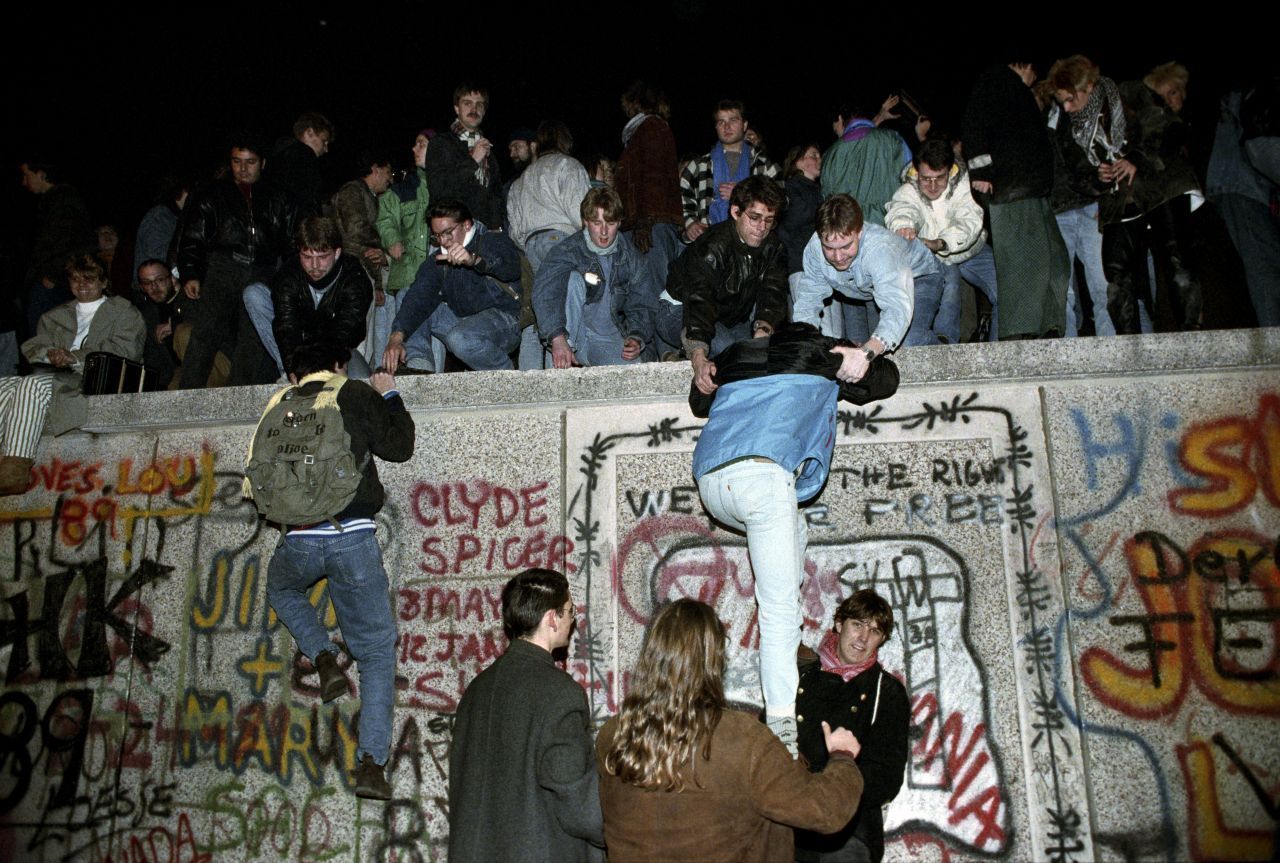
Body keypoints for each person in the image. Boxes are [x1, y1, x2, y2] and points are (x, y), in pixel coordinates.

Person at [689, 322, 900, 752]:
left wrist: (702, 366)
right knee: (778, 608)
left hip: (711, 481)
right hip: (763, 476)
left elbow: (698, 399)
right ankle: (783, 723)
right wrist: (853, 353)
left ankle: (792, 640)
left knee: (795, 529)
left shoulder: (738, 354)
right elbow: (885, 380)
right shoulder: (821, 359)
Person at [247, 340, 413, 800]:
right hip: (352, 537)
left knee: (282, 591)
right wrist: (389, 394)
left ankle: (322, 656)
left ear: (291, 376)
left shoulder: (280, 404)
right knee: (377, 654)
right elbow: (400, 448)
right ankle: (372, 765)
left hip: (297, 539)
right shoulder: (353, 394)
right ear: (339, 364)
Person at [597, 598, 866, 863]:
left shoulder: (612, 735)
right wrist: (842, 757)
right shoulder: (745, 740)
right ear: (714, 659)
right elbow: (825, 811)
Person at [449, 568, 604, 863]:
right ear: (551, 618)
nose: (573, 620)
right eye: (570, 611)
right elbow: (577, 803)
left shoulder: (475, 690)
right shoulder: (561, 693)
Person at [2, 253, 144, 494]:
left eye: (89, 279)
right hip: (59, 375)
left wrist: (75, 357)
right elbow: (34, 346)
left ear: (103, 282)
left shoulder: (125, 312)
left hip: (99, 376)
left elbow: (126, 350)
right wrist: (50, 354)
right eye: (76, 279)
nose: (82, 285)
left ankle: (15, 468)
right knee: (5, 384)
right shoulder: (55, 315)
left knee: (32, 385)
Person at [795, 590, 910, 863]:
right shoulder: (799, 675)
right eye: (857, 625)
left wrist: (830, 792)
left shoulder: (887, 691)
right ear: (839, 624)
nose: (863, 637)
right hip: (790, 822)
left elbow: (886, 775)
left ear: (881, 640)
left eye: (874, 631)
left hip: (849, 831)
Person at [175, 136, 298, 387]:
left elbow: (290, 241)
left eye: (250, 162)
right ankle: (187, 392)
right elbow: (192, 236)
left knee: (252, 338)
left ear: (262, 163)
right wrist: (190, 273)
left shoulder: (278, 195)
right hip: (224, 266)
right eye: (236, 161)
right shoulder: (214, 193)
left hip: (263, 268)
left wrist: (289, 277)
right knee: (206, 332)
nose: (243, 168)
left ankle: (240, 392)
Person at [963, 62, 1070, 340]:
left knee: (1053, 261)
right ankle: (1019, 332)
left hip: (1033, 190)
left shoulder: (1014, 91)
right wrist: (981, 172)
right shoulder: (996, 78)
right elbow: (975, 123)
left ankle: (1047, 326)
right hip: (1012, 189)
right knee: (1022, 264)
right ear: (1025, 66)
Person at [662, 175, 790, 380]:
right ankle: (685, 354)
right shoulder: (712, 247)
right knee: (730, 352)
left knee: (760, 356)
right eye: (754, 218)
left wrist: (763, 329)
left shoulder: (774, 247)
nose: (761, 228)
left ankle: (678, 357)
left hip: (726, 317)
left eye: (768, 220)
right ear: (735, 212)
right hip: (679, 310)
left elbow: (773, 293)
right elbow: (699, 301)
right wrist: (698, 353)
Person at [382, 199, 522, 372]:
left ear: (467, 225)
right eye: (437, 235)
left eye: (448, 232)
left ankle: (506, 375)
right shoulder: (437, 262)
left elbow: (511, 269)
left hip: (502, 321)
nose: (444, 240)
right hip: (460, 321)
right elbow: (417, 298)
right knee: (406, 294)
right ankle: (420, 368)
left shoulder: (491, 241)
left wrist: (474, 260)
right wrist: (396, 337)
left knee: (461, 338)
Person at [794, 194, 942, 350]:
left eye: (845, 247)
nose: (838, 257)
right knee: (871, 345)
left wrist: (869, 352)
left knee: (907, 343)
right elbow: (808, 299)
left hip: (920, 275)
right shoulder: (814, 248)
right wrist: (805, 341)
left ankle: (950, 353)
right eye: (829, 248)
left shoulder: (880, 249)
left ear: (859, 232)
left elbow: (896, 307)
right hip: (873, 287)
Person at [885, 138, 999, 343]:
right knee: (949, 284)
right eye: (926, 178)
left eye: (940, 178)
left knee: (1005, 289)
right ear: (916, 171)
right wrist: (903, 227)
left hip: (972, 249)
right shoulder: (908, 190)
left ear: (951, 170)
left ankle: (1000, 349)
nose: (933, 185)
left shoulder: (965, 185)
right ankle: (944, 342)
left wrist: (941, 242)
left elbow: (969, 220)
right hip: (934, 255)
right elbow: (902, 209)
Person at [533, 186, 657, 367]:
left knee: (635, 374)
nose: (604, 232)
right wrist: (557, 337)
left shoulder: (631, 256)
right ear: (585, 222)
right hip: (571, 335)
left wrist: (637, 336)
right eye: (597, 223)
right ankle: (560, 363)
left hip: (606, 338)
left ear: (620, 223)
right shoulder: (567, 250)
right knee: (573, 279)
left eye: (611, 223)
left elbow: (644, 301)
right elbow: (545, 293)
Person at [1044, 55, 1123, 339]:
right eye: (1061, 101)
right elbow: (1069, 165)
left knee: (1101, 281)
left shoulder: (1113, 107)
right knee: (1061, 285)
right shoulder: (1058, 116)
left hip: (1092, 206)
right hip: (1060, 207)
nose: (1066, 107)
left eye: (1069, 100)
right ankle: (1067, 348)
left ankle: (1110, 345)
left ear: (1085, 88)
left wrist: (1104, 194)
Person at [243, 217, 374, 380]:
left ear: (337, 253)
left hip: (338, 350)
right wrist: (293, 368)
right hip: (300, 346)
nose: (315, 265)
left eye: (322, 257)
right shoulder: (288, 275)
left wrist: (321, 371)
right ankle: (286, 372)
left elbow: (345, 331)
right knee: (253, 293)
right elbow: (286, 326)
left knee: (361, 378)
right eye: (307, 257)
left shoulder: (354, 277)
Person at [375, 130, 439, 372]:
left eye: (421, 144)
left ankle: (432, 376)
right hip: (409, 270)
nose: (414, 149)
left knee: (438, 333)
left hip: (442, 272)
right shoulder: (404, 188)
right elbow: (384, 216)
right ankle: (420, 367)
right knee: (409, 312)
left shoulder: (447, 182)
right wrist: (391, 238)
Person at [679, 100, 780, 241]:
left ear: (744, 125)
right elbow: (680, 200)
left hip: (752, 245)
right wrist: (690, 224)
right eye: (721, 122)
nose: (727, 126)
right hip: (707, 244)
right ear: (716, 127)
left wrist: (742, 193)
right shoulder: (697, 166)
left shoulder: (765, 167)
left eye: (733, 120)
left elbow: (783, 201)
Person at [19, 159, 95, 336]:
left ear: (41, 174)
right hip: (49, 282)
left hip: (53, 285)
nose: (24, 182)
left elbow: (74, 241)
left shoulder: (64, 200)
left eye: (26, 175)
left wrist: (52, 275)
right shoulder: (51, 202)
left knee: (47, 339)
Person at [425, 84, 504, 230]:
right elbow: (439, 190)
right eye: (467, 103)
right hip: (452, 232)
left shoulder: (487, 150)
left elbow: (496, 194)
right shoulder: (442, 143)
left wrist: (495, 224)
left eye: (479, 104)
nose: (474, 109)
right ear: (456, 108)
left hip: (483, 233)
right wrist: (473, 161)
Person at [270, 111, 333, 215]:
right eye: (324, 141)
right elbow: (307, 205)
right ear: (309, 133)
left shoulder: (279, 155)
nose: (326, 149)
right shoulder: (305, 156)